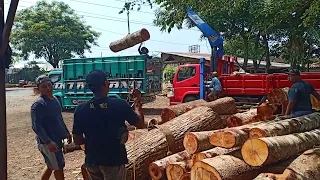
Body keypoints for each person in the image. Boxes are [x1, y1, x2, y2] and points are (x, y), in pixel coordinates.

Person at [72, 70, 145, 180]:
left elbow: (77, 140)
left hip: (92, 160)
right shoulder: (119, 104)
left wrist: (93, 142)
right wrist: (137, 103)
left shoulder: (81, 109)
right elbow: (140, 123)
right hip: (113, 160)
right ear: (106, 84)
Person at [31, 75, 72, 180]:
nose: (48, 88)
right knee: (58, 167)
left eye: (49, 85)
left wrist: (66, 132)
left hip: (57, 139)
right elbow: (36, 126)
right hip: (48, 142)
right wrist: (48, 142)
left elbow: (59, 119)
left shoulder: (55, 100)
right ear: (38, 88)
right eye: (44, 86)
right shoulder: (38, 104)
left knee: (51, 166)